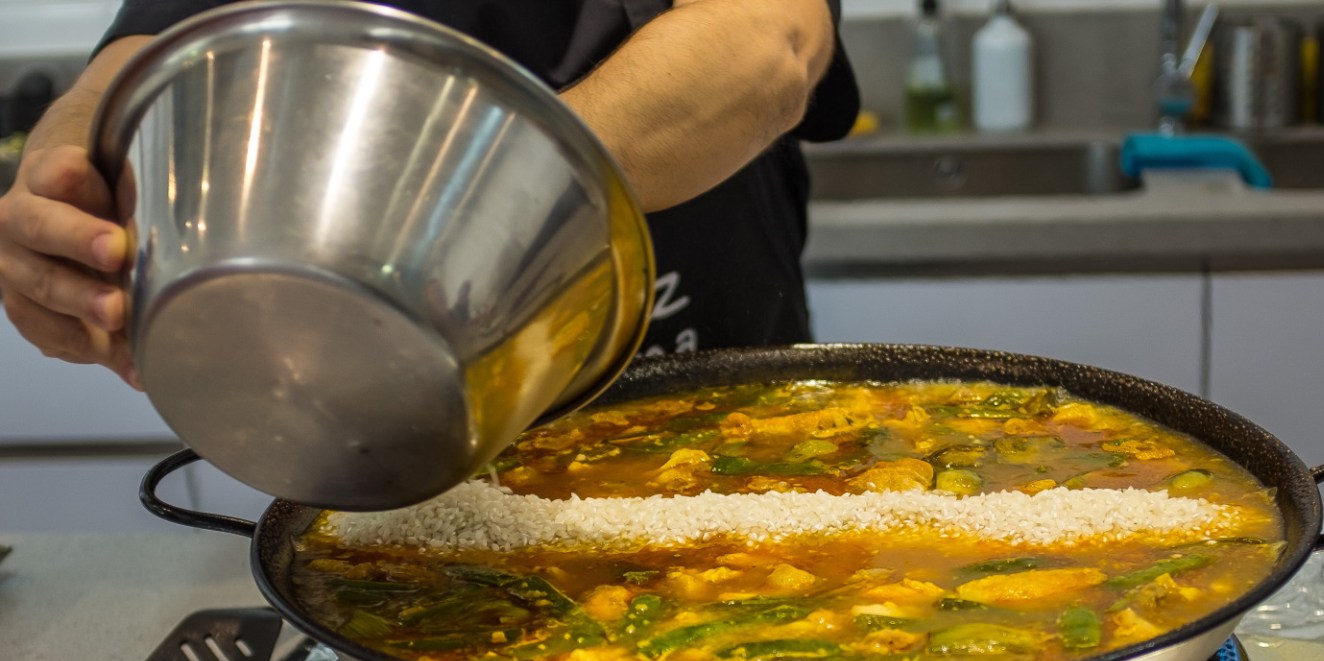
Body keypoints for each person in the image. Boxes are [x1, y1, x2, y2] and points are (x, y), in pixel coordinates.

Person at [0, 0, 859, 390]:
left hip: (705, 404)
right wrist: (72, 167)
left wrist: (470, 205)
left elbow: (769, 43)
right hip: (367, 427)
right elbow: (151, 53)